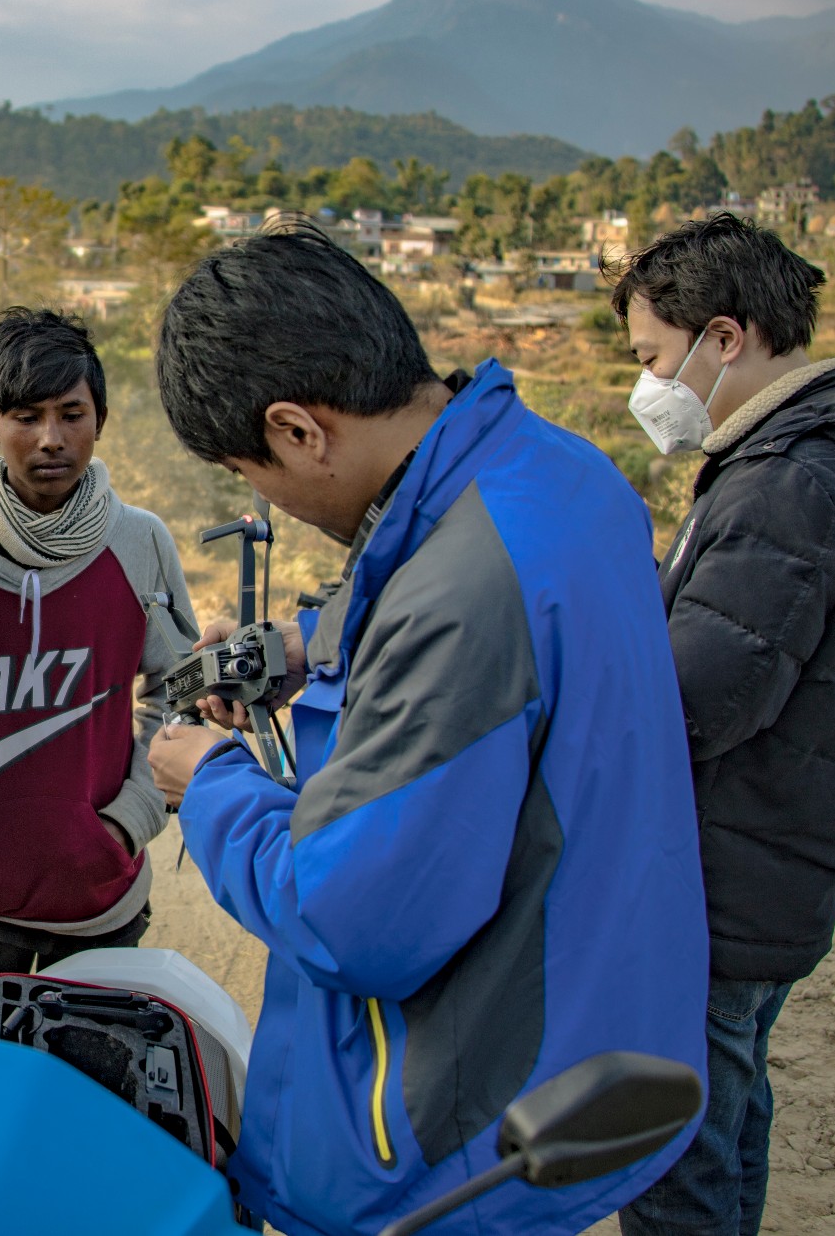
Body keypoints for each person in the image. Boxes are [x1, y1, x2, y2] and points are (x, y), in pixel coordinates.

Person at [143, 227, 709, 1236]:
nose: (261, 499)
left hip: (460, 1119)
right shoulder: (555, 476)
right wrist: (303, 641)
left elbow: (349, 922)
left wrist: (216, 778)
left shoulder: (460, 593)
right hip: (580, 1015)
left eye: (249, 472)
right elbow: (453, 606)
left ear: (298, 432)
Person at [610, 216, 835, 1236]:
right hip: (775, 857)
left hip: (724, 874)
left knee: (672, 1149)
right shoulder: (812, 459)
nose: (646, 386)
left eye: (651, 358)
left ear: (722, 338)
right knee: (723, 1119)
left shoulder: (787, 484)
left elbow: (695, 702)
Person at [0, 308, 198, 989]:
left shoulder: (139, 542)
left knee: (90, 1089)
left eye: (71, 413)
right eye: (26, 416)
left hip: (101, 898)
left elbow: (185, 694)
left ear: (100, 419)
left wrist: (128, 819)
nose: (52, 439)